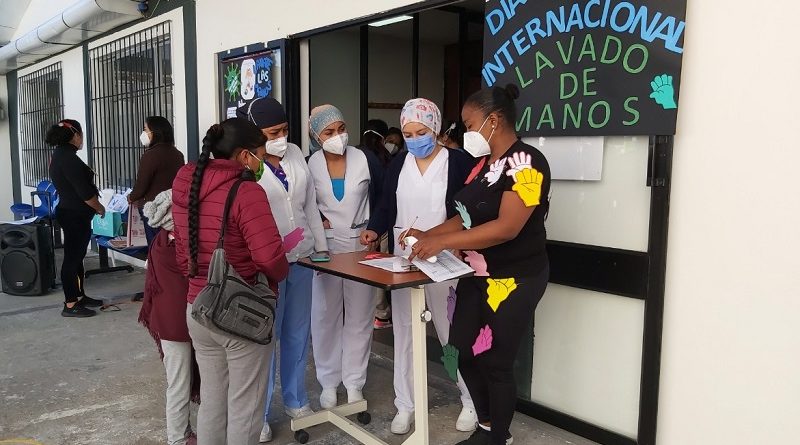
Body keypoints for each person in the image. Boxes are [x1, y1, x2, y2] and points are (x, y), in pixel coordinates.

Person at [405, 85, 551, 445]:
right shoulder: (482, 167)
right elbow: (465, 217)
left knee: (497, 362)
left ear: (494, 120)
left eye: (469, 125)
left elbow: (506, 227)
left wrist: (441, 242)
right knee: (458, 351)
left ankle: (498, 436)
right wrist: (427, 235)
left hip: (515, 280)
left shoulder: (528, 164)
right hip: (477, 276)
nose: (466, 133)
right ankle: (486, 424)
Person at [360, 98, 477, 435]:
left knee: (451, 333)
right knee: (406, 333)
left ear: (436, 130)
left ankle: (469, 399)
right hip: (405, 259)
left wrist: (458, 239)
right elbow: (386, 203)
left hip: (445, 259)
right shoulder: (399, 163)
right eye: (408, 133)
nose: (414, 139)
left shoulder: (457, 162)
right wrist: (374, 228)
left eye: (421, 132)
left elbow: (467, 209)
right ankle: (405, 404)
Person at [172, 118, 289, 445]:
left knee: (213, 399)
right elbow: (269, 259)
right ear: (243, 156)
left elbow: (183, 252)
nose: (262, 163)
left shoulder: (186, 182)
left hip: (198, 307)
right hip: (242, 311)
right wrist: (281, 272)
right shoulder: (246, 191)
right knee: (245, 406)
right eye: (260, 156)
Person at [236, 97, 329, 443]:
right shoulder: (247, 163)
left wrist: (320, 247)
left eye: (285, 130)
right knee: (263, 339)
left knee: (297, 331)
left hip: (301, 258)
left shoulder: (294, 156)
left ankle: (295, 399)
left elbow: (308, 205)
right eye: (273, 132)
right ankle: (257, 413)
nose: (281, 137)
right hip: (266, 264)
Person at [307, 104, 381, 410]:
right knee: (325, 315)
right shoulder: (310, 163)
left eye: (341, 128)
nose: (338, 136)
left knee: (360, 316)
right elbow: (301, 201)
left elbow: (385, 196)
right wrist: (316, 219)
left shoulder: (366, 158)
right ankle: (328, 381)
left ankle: (354, 382)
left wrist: (376, 228)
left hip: (359, 245)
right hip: (324, 248)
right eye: (329, 132)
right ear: (316, 136)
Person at [138, 189, 197, 445]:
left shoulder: (161, 242)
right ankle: (177, 438)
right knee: (180, 384)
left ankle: (183, 433)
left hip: (170, 325)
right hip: (177, 327)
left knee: (180, 382)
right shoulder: (176, 248)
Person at [47, 119, 105, 318]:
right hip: (74, 215)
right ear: (75, 135)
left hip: (72, 213)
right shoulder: (68, 158)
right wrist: (100, 208)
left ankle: (79, 296)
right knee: (72, 259)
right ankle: (70, 304)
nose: (82, 139)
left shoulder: (62, 155)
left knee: (77, 257)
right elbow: (85, 193)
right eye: (81, 134)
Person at [129, 116, 185, 246]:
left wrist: (131, 197)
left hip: (153, 209)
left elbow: (141, 185)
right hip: (172, 208)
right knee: (169, 246)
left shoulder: (150, 155)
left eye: (145, 129)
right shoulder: (177, 154)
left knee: (155, 246)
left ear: (155, 132)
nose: (143, 133)